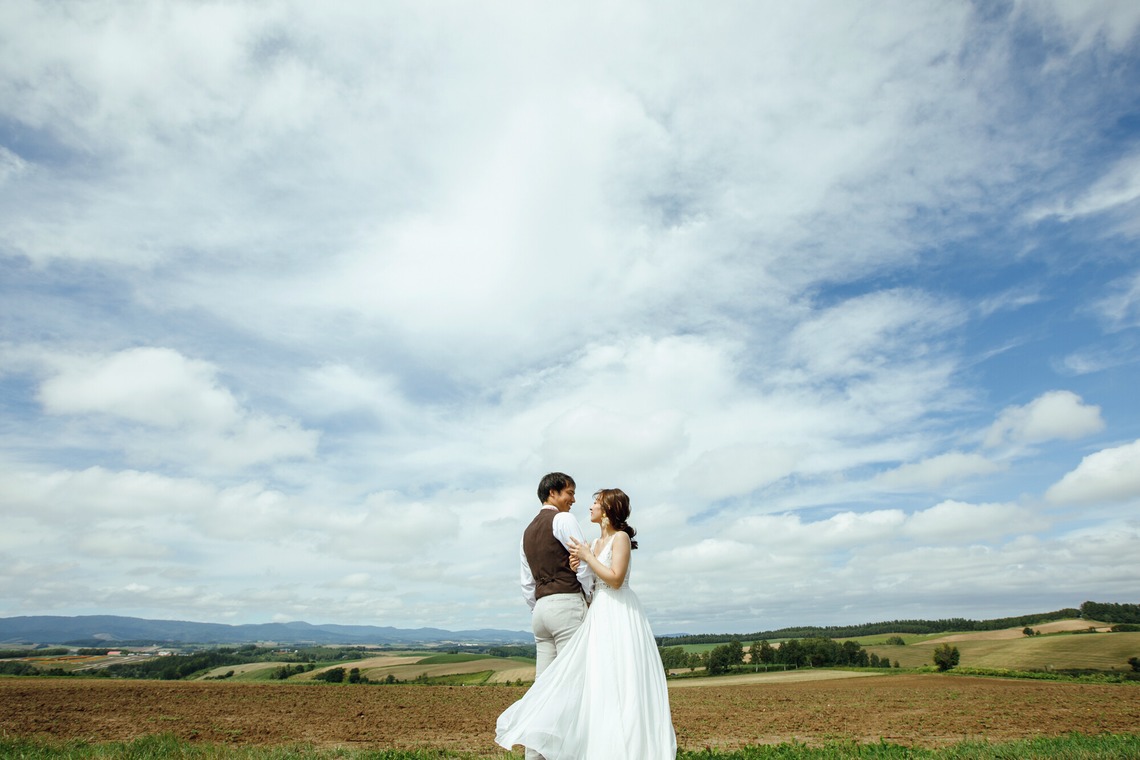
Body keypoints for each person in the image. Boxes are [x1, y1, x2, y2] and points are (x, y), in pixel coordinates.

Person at [496, 488, 677, 760]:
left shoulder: (621, 538)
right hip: (598, 611)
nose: (589, 506)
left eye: (595, 502)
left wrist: (587, 558)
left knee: (623, 678)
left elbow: (616, 579)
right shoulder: (592, 543)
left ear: (608, 509)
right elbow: (589, 582)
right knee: (597, 678)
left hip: (621, 611)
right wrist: (577, 562)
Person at [516, 472, 596, 760]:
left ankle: (534, 756)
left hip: (541, 612)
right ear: (552, 493)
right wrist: (588, 597)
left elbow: (526, 583)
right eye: (569, 493)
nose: (574, 499)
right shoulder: (562, 520)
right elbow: (583, 558)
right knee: (573, 688)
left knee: (543, 690)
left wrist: (539, 606)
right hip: (566, 605)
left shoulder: (526, 532)